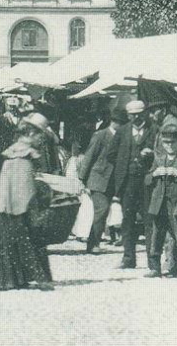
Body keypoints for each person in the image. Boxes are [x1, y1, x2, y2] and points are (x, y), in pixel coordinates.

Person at [0, 116, 52, 290]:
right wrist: (33, 202)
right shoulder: (23, 156)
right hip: (16, 207)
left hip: (4, 205)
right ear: (30, 133)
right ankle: (15, 278)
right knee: (21, 241)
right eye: (39, 134)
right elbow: (25, 187)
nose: (41, 138)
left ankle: (11, 278)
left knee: (6, 243)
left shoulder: (14, 152)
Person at [146, 115, 177, 281]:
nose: (169, 146)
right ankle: (155, 268)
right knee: (157, 236)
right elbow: (146, 180)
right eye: (166, 143)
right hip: (160, 204)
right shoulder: (159, 159)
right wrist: (154, 174)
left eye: (172, 143)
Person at [113, 100, 157, 269]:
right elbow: (111, 154)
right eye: (132, 115)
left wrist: (151, 155)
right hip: (128, 182)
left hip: (147, 182)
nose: (136, 118)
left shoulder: (154, 130)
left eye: (139, 114)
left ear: (144, 113)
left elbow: (161, 152)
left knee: (149, 220)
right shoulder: (122, 131)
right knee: (128, 220)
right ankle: (128, 258)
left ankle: (152, 260)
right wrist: (123, 165)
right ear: (128, 116)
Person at [78, 107, 124, 254]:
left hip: (112, 182)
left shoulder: (122, 137)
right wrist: (82, 179)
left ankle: (94, 242)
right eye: (120, 122)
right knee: (102, 210)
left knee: (105, 212)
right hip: (98, 179)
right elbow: (89, 156)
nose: (122, 125)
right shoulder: (100, 135)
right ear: (114, 122)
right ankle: (93, 244)